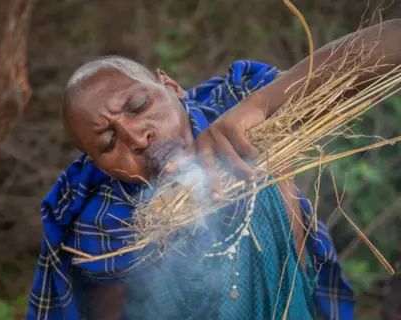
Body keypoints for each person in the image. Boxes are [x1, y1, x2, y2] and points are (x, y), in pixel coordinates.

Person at [27, 20, 401, 320]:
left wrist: (260, 105)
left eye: (139, 106)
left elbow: (393, 38)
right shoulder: (101, 225)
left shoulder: (243, 106)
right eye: (109, 144)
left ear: (171, 86)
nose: (136, 138)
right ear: (98, 165)